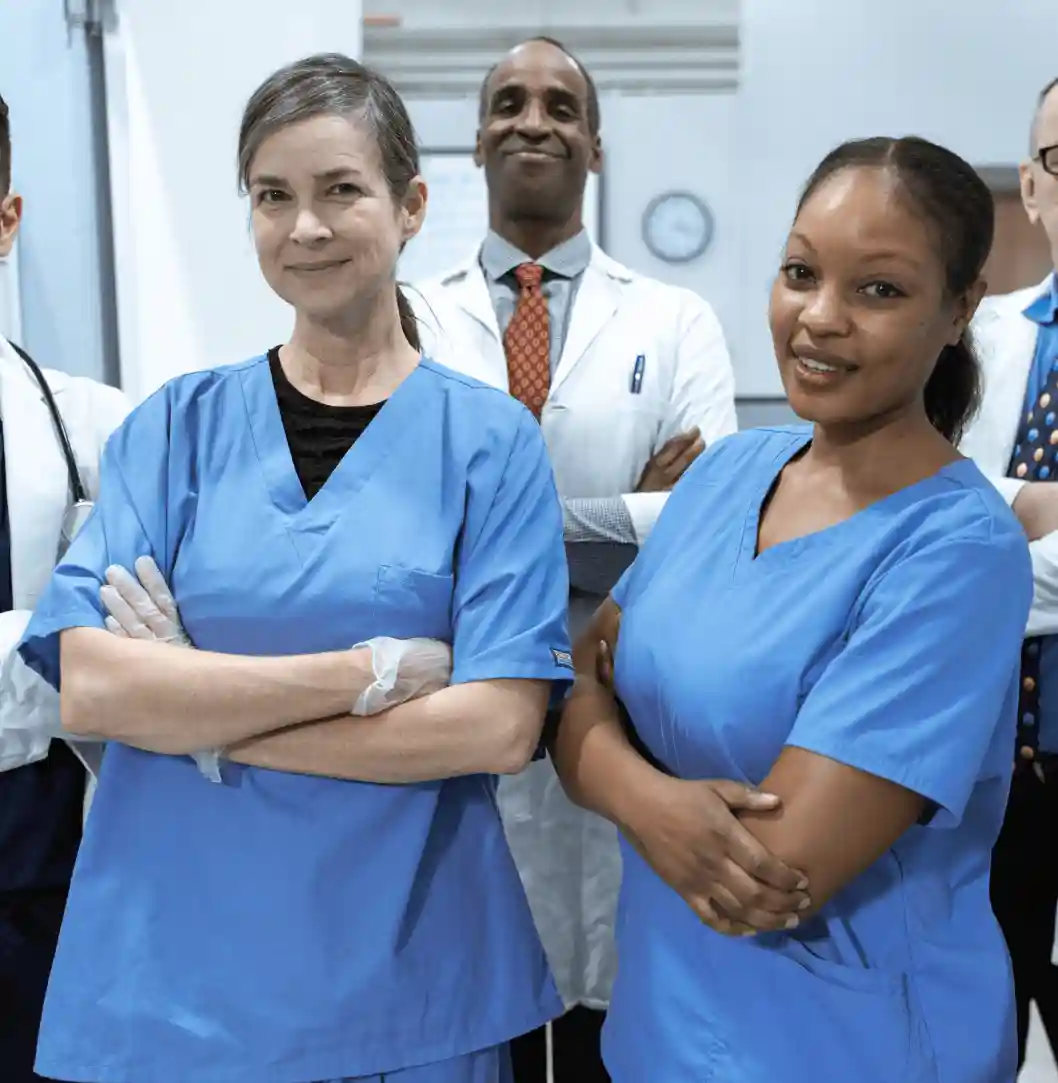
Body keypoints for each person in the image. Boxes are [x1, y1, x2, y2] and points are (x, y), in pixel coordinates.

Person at [16, 54, 573, 1083]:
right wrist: (367, 673)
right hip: (169, 980)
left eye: (339, 191)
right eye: (272, 197)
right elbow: (93, 688)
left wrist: (197, 713)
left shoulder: (487, 445)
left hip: (403, 983)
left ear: (409, 207)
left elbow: (495, 727)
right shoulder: (174, 429)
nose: (303, 227)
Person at [551, 135, 1034, 1082]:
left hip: (852, 1046)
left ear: (959, 309)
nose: (820, 318)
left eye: (879, 290)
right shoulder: (728, 473)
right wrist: (657, 800)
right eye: (800, 272)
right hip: (660, 1031)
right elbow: (573, 676)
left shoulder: (955, 551)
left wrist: (598, 756)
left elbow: (768, 880)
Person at [410, 37, 737, 1083]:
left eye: (559, 105)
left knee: (609, 1017)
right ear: (475, 140)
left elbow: (706, 525)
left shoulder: (674, 318)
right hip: (457, 707)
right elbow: (403, 526)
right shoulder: (408, 316)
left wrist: (490, 530)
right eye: (506, 100)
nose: (532, 120)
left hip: (623, 704)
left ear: (593, 145)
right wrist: (630, 507)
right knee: (479, 1004)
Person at [0, 91, 130, 1083]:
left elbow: (137, 651)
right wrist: (47, 642)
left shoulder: (90, 427)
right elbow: (74, 652)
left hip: (42, 852)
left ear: (8, 219)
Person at [961, 75, 1058, 1071]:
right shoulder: (978, 342)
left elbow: (950, 563)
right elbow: (918, 534)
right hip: (976, 773)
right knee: (968, 1046)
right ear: (1030, 188)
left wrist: (971, 570)